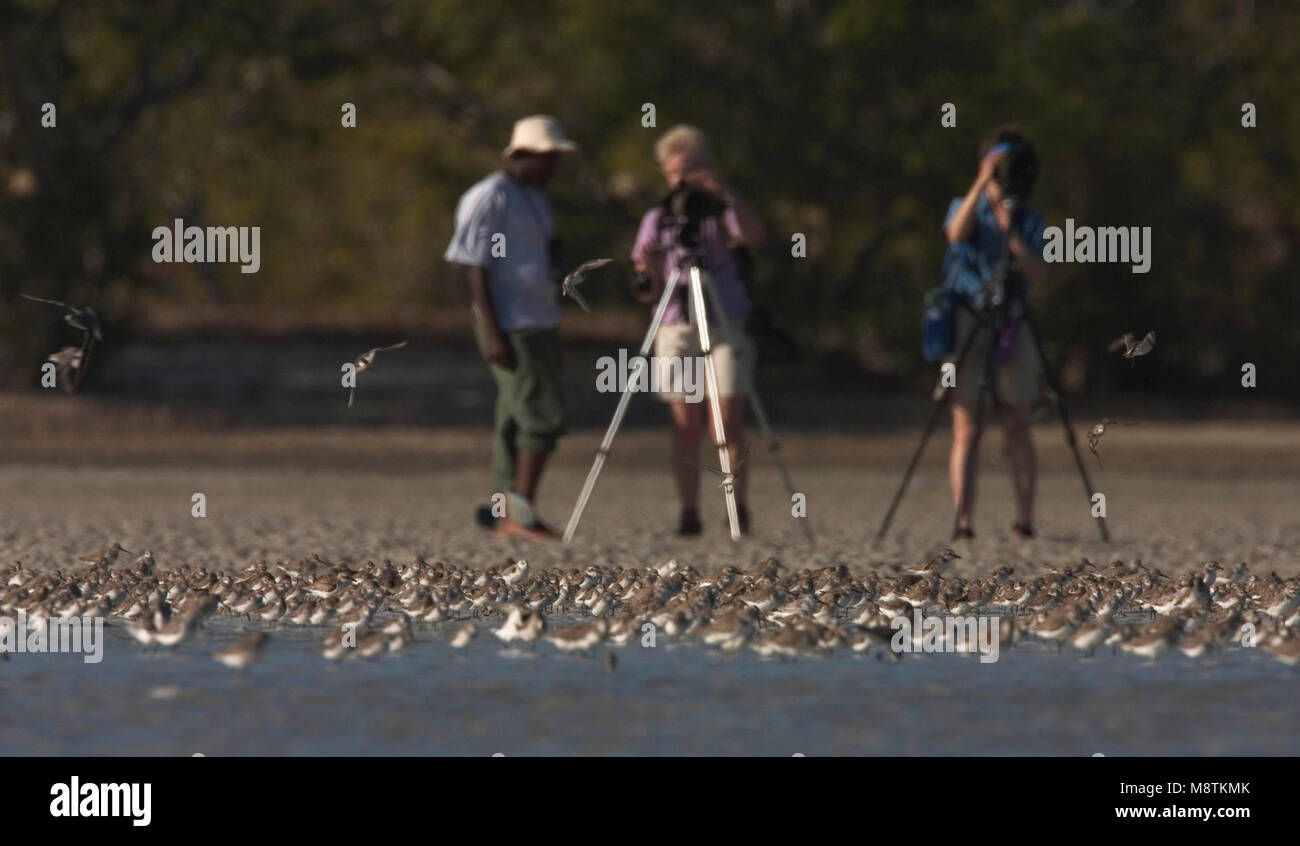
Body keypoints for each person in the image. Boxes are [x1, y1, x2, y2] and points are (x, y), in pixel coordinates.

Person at [445, 115, 577, 540]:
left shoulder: (535, 199)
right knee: (542, 414)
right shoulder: (489, 196)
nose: (553, 169)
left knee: (513, 416)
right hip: (508, 322)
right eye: (546, 159)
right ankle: (521, 509)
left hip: (539, 320)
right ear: (521, 155)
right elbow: (472, 262)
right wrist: (493, 329)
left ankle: (505, 510)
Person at [631, 125, 765, 536]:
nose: (681, 181)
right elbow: (643, 284)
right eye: (674, 174)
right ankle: (689, 511)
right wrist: (648, 268)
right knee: (685, 422)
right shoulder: (658, 216)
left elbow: (753, 236)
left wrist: (724, 194)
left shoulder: (720, 210)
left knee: (725, 419)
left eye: (689, 171)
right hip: (676, 321)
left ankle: (736, 505)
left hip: (723, 318)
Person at [942, 125, 1048, 540]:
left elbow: (1038, 275)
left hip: (1013, 321)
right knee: (967, 424)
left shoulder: (1030, 218)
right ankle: (963, 521)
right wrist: (982, 184)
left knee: (1018, 418)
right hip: (969, 315)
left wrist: (1011, 230)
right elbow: (955, 233)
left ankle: (1024, 519)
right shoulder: (963, 205)